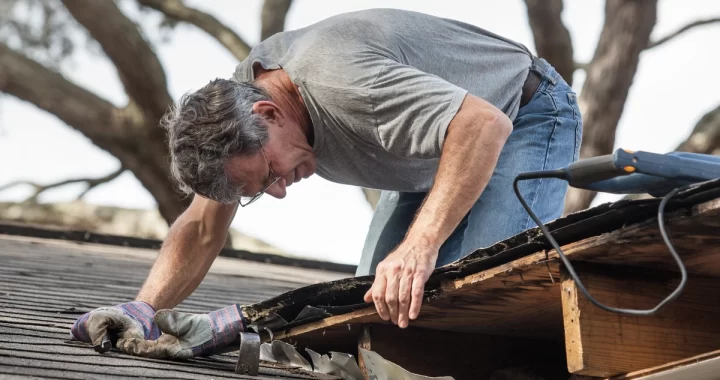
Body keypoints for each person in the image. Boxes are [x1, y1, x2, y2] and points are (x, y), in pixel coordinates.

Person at [69, 8, 582, 358]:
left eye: (269, 175)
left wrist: (420, 246)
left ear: (269, 113)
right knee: (376, 316)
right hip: (429, 152)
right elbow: (203, 227)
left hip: (522, 114)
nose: (279, 190)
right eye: (258, 191)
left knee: (485, 299)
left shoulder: (344, 83)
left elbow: (481, 125)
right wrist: (144, 309)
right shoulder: (233, 114)